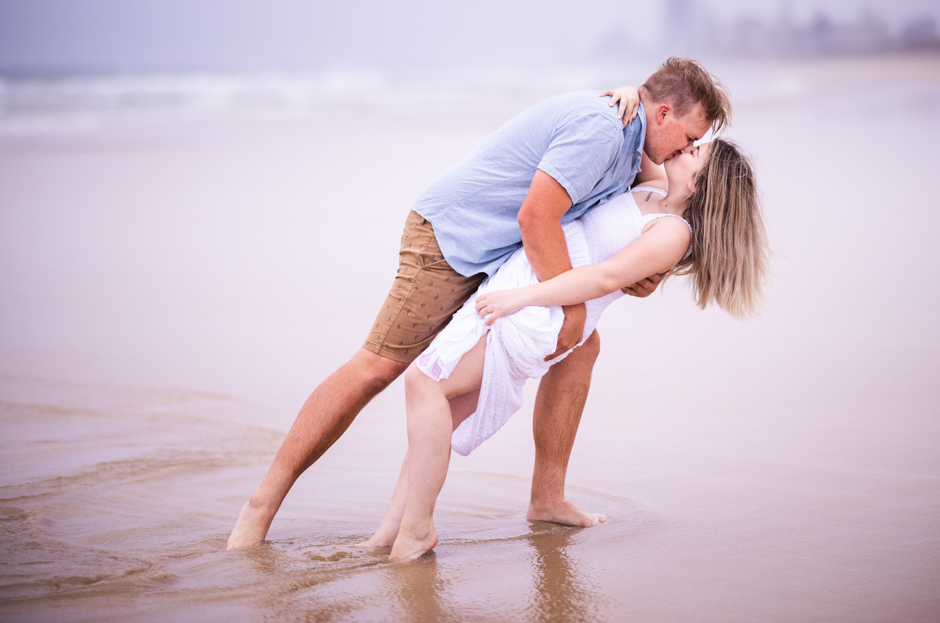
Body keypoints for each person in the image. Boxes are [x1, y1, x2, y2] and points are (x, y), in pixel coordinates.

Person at [226, 58, 732, 550]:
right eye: (689, 137)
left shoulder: (637, 141)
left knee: (582, 348)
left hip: (510, 257)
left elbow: (653, 212)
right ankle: (261, 506)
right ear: (663, 114)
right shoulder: (604, 129)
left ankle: (546, 498)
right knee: (377, 370)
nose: (686, 149)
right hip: (454, 242)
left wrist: (637, 279)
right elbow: (536, 217)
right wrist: (571, 310)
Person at [370, 137, 770, 561]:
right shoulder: (652, 191)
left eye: (695, 154)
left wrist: (524, 297)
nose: (686, 149)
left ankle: (417, 530)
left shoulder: (673, 232)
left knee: (425, 382)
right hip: (525, 290)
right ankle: (388, 533)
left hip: (539, 315)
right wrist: (625, 92)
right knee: (439, 417)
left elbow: (603, 278)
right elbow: (644, 135)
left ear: (700, 185)